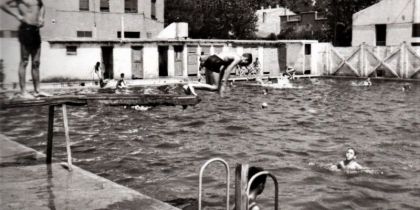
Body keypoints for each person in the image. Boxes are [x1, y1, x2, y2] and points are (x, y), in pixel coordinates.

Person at [1, 0, 50, 98]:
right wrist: (16, 15)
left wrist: (41, 17)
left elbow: (42, 5)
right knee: (24, 61)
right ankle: (23, 92)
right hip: (25, 29)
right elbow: (3, 4)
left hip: (36, 31)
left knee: (36, 62)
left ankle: (37, 90)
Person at [184, 52, 253, 97]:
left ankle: (188, 86)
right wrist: (224, 82)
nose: (243, 65)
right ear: (245, 59)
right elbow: (229, 69)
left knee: (209, 85)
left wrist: (220, 81)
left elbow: (223, 69)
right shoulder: (238, 58)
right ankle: (192, 85)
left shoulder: (233, 54)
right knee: (215, 87)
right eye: (245, 64)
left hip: (211, 58)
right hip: (216, 61)